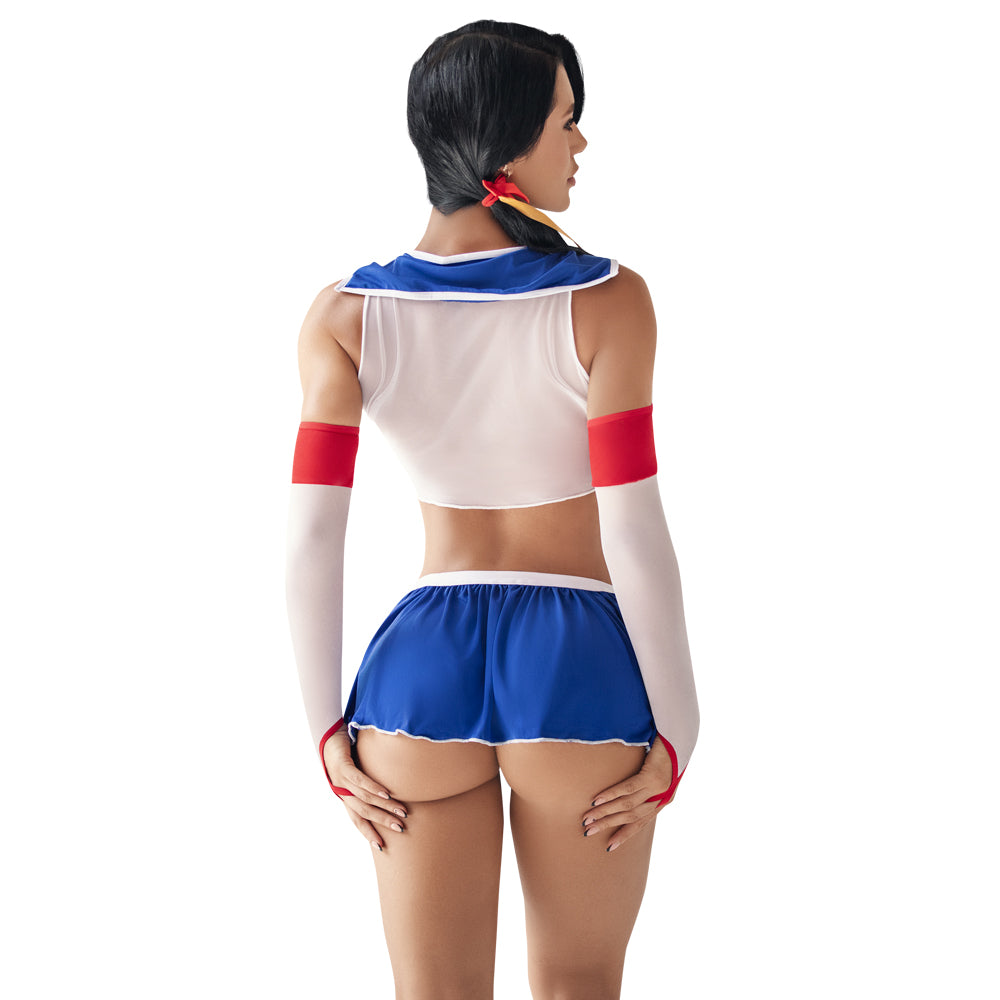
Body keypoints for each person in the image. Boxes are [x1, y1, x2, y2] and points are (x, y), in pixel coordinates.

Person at [285, 20, 700, 1000]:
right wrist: (681, 732)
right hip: (577, 663)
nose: (580, 143)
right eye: (566, 119)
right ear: (506, 141)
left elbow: (311, 536)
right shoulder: (608, 299)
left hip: (418, 670)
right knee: (579, 983)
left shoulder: (344, 313)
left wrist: (325, 733)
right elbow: (633, 528)